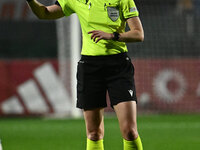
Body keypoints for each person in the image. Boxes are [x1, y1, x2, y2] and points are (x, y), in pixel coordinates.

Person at [26, 0, 144, 149]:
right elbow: (44, 13)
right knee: (94, 133)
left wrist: (112, 36)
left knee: (130, 132)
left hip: (118, 67)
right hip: (90, 69)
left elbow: (138, 34)